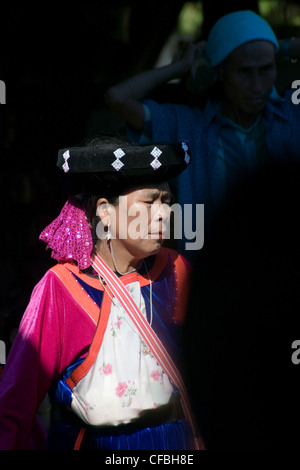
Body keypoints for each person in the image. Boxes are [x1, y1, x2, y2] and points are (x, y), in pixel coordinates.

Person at [0, 135, 204, 450]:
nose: (164, 213)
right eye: (150, 202)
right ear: (105, 212)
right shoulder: (62, 288)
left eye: (167, 201)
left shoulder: (177, 272)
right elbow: (14, 404)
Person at [105, 10, 300, 234]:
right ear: (220, 72)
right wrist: (180, 68)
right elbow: (117, 97)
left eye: (266, 69)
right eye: (244, 71)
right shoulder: (189, 128)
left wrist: (283, 47)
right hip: (214, 260)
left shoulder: (292, 118)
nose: (256, 85)